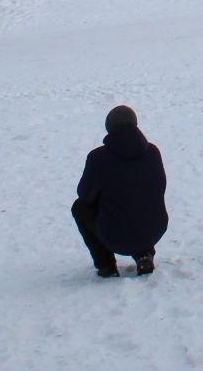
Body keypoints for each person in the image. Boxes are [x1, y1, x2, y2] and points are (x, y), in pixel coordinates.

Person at [72, 105, 168, 278]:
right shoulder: (153, 152)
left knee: (80, 208)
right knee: (139, 196)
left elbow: (84, 195)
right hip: (155, 229)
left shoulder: (98, 158)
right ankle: (144, 255)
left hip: (116, 235)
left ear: (109, 127)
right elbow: (161, 186)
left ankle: (106, 265)